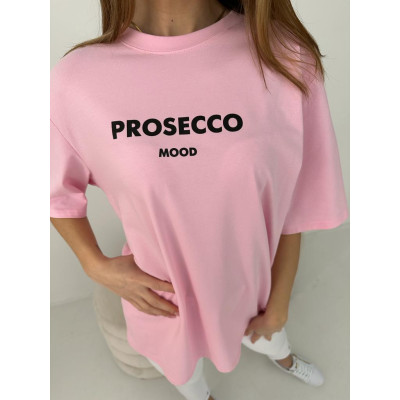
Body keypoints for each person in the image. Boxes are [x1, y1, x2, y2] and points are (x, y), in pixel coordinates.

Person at [50, 1, 349, 399]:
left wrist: (279, 303)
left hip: (252, 288)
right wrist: (95, 265)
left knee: (271, 338)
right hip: (162, 300)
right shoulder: (78, 82)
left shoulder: (285, 57)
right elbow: (54, 193)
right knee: (182, 371)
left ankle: (284, 357)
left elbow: (295, 205)